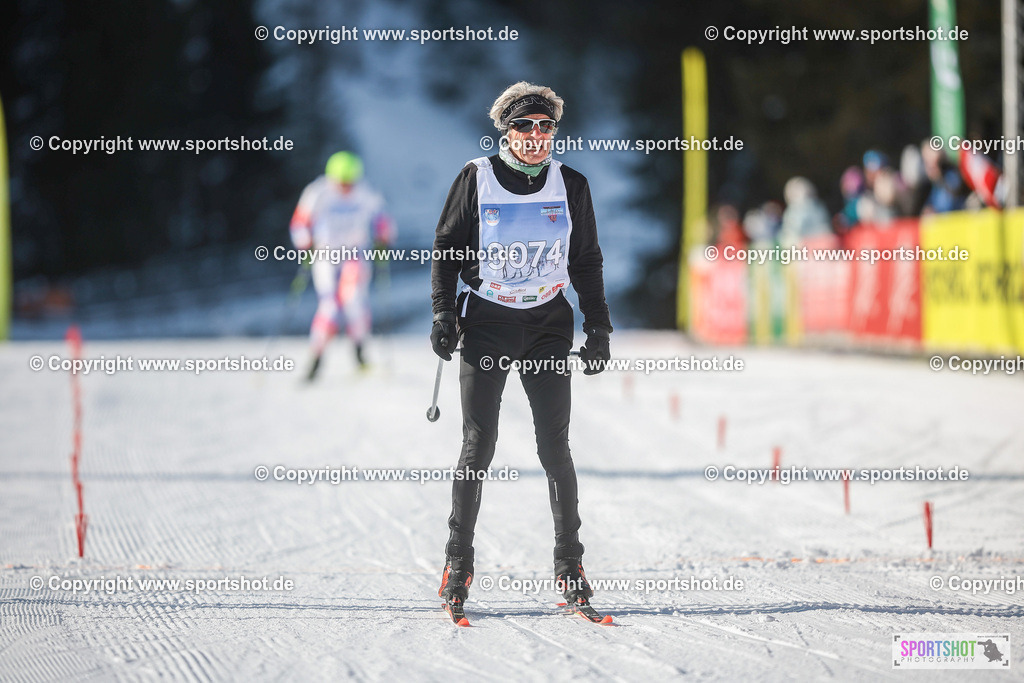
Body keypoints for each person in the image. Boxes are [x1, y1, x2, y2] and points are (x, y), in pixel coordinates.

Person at [429, 81, 612, 620]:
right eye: (525, 127)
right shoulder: (476, 178)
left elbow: (587, 260)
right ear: (505, 131)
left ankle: (570, 564)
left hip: (548, 324)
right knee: (478, 443)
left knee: (555, 445)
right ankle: (457, 566)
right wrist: (443, 312)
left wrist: (598, 326)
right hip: (486, 321)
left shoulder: (570, 183)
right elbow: (445, 248)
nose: (537, 137)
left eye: (546, 127)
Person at [289, 151, 394, 380]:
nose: (346, 188)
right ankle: (315, 360)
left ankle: (360, 354)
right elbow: (299, 222)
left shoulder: (365, 191)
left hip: (354, 256)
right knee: (330, 307)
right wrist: (304, 240)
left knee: (354, 301)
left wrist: (384, 234)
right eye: (342, 182)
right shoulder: (317, 192)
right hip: (325, 256)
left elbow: (382, 218)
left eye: (350, 182)